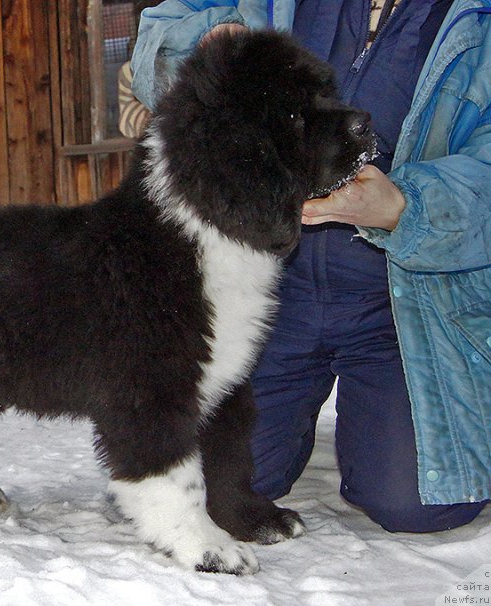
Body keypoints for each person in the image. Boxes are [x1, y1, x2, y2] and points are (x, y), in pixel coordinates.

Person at [129, 0, 491, 532]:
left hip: (410, 303)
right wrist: (210, 42)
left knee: (418, 502)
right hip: (268, 293)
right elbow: (158, 41)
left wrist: (404, 207)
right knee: (208, 489)